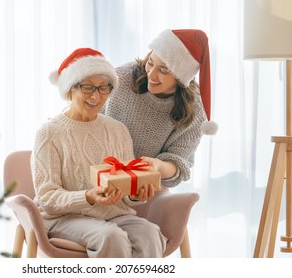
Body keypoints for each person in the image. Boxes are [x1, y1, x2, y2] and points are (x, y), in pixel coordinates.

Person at [30, 48, 166, 258]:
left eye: (104, 88)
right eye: (88, 87)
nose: (96, 96)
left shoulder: (117, 130)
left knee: (150, 233)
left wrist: (136, 194)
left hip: (115, 215)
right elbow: (47, 197)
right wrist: (88, 196)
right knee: (111, 236)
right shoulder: (49, 132)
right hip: (67, 218)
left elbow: (126, 185)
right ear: (70, 89)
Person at [103, 29, 218, 189]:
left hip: (140, 187)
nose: (151, 74)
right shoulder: (122, 77)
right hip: (96, 171)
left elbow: (179, 161)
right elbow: (85, 111)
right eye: (150, 63)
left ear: (181, 77)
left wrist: (158, 166)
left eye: (163, 70)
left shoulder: (195, 110)